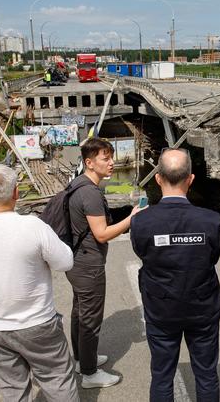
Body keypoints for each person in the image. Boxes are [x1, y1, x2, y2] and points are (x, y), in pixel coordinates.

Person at [0, 164, 79, 401]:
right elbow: (65, 262)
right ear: (16, 193)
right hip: (37, 322)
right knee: (57, 379)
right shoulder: (33, 226)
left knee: (12, 389)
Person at [130, 148, 220, 402]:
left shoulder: (141, 221)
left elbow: (142, 253)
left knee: (162, 375)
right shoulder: (211, 220)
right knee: (206, 373)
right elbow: (212, 257)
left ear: (158, 178)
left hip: (161, 306)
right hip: (202, 305)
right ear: (190, 179)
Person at [67, 137, 144, 388]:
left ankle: (82, 359)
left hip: (77, 261)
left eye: (111, 157)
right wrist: (131, 219)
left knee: (80, 313)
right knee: (90, 319)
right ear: (89, 162)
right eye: (105, 158)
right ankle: (89, 374)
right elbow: (101, 234)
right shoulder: (90, 193)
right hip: (89, 265)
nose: (111, 163)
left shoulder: (78, 184)